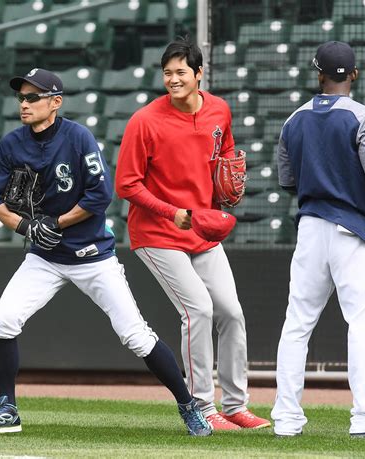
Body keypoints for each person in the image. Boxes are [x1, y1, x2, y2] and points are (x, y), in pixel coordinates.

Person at [0, 68, 212, 437]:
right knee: (3, 320)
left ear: (55, 102)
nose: (25, 103)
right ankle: (7, 409)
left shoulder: (78, 137)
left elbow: (100, 196)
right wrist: (25, 227)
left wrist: (57, 223)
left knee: (136, 336)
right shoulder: (11, 144)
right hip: (45, 257)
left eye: (34, 97)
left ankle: (188, 406)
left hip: (93, 255)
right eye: (22, 97)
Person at [115, 38, 270, 431]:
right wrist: (173, 212)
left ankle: (235, 405)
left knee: (231, 312)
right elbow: (127, 184)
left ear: (199, 74)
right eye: (167, 73)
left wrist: (228, 179)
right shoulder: (145, 121)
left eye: (181, 72)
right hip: (156, 232)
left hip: (200, 228)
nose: (173, 79)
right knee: (197, 310)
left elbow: (227, 153)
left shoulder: (219, 109)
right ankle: (201, 405)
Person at [271, 41, 365, 437]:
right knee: (363, 324)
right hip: (354, 231)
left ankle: (286, 419)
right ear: (353, 74)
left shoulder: (293, 120)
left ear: (318, 73)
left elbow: (288, 183)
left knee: (297, 324)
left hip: (311, 227)